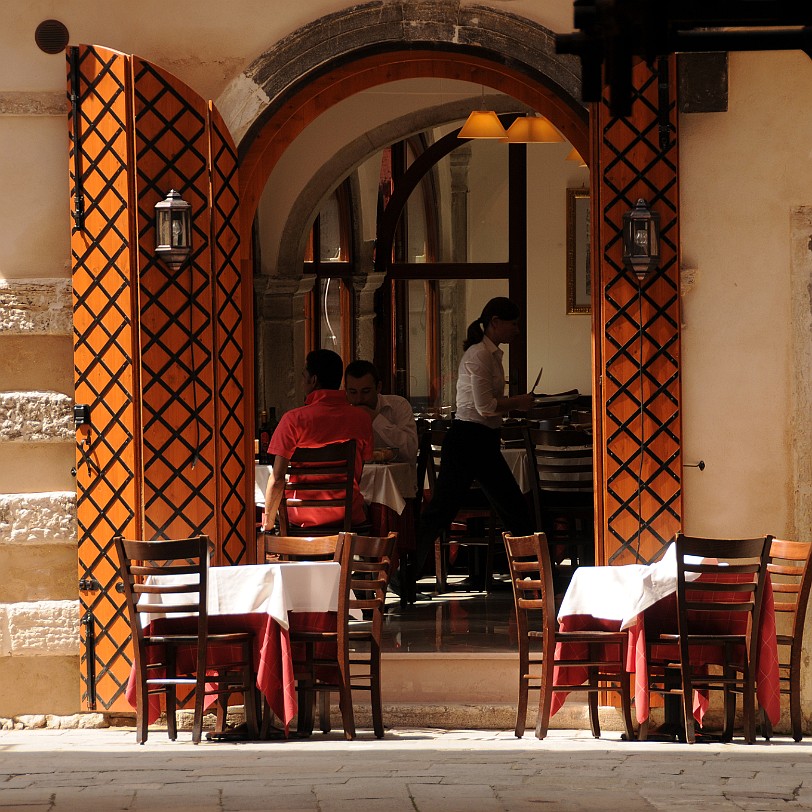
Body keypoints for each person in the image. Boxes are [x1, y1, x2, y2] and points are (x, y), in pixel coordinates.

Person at [399, 296, 536, 604]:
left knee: (506, 506)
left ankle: (532, 575)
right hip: (469, 439)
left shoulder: (490, 355)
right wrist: (519, 403)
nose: (517, 329)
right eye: (513, 323)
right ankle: (402, 575)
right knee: (449, 511)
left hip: (478, 439)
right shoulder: (478, 356)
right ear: (495, 323)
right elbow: (485, 407)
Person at [260, 349, 373, 532]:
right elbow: (360, 470)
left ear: (313, 380)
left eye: (303, 375)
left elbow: (278, 478)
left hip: (300, 515)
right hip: (347, 514)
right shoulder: (361, 418)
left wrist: (269, 523)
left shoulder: (293, 420)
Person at [344, 360, 418, 464]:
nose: (359, 399)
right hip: (356, 478)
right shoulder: (342, 412)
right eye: (353, 392)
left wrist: (375, 418)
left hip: (394, 478)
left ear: (378, 387)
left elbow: (410, 451)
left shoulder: (398, 405)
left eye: (366, 391)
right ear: (345, 390)